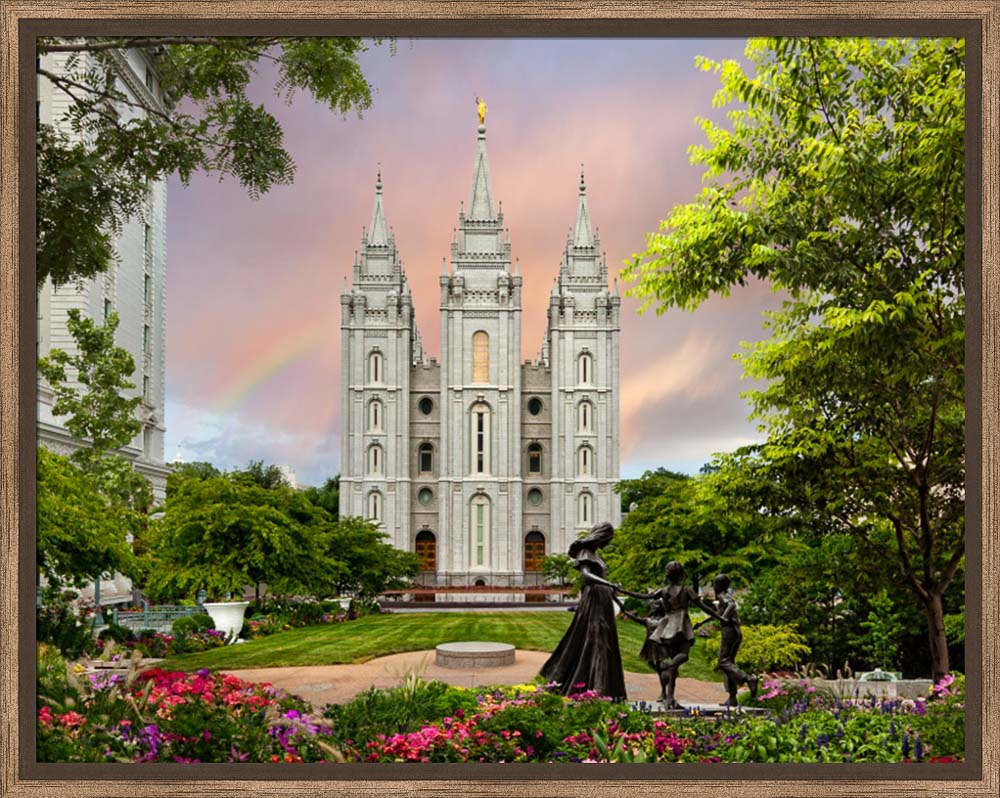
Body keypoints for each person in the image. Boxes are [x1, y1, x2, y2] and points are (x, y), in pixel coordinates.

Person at [539, 521, 627, 702]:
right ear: (602, 535)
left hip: (603, 599)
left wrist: (615, 594)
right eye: (608, 539)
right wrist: (607, 583)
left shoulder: (597, 555)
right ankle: (595, 687)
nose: (609, 542)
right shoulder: (585, 552)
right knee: (596, 638)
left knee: (605, 640)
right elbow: (586, 575)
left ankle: (605, 687)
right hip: (593, 599)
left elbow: (601, 578)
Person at [621, 561, 721, 708]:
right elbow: (703, 607)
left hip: (667, 626)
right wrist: (719, 616)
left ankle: (670, 698)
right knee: (683, 656)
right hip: (681, 624)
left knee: (675, 664)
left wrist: (623, 591)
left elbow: (644, 596)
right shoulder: (686, 590)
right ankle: (670, 667)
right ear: (681, 575)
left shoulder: (663, 591)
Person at [702, 573, 758, 706]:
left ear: (720, 585)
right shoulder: (725, 596)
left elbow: (731, 605)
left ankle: (748, 679)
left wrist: (724, 617)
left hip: (730, 632)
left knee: (723, 662)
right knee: (729, 664)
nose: (714, 586)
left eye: (715, 584)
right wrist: (702, 622)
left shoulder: (723, 596)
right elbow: (718, 613)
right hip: (735, 631)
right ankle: (732, 697)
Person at [615, 596, 671, 701]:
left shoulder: (665, 619)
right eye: (653, 605)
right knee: (652, 664)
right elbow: (636, 619)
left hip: (660, 646)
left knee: (660, 666)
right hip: (650, 646)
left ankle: (664, 690)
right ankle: (665, 675)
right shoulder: (648, 620)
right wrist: (625, 611)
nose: (653, 606)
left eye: (656, 605)